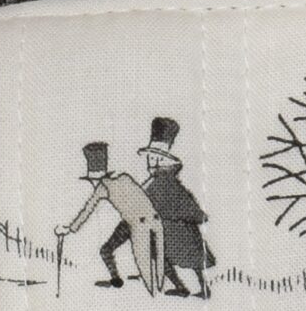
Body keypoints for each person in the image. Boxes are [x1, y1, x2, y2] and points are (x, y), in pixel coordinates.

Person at [55, 142, 161, 292]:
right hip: (146, 219)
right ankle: (176, 284)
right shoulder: (124, 177)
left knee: (140, 262)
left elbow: (87, 211)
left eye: (92, 181)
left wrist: (69, 229)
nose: (93, 184)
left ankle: (150, 289)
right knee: (153, 253)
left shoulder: (102, 187)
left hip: (136, 224)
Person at [140, 117, 214, 298]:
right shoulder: (158, 181)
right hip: (169, 230)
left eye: (154, 157)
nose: (150, 161)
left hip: (176, 230)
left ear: (162, 160)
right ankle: (189, 287)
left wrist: (196, 215)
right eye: (150, 157)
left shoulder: (163, 182)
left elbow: (181, 201)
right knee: (168, 257)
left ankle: (190, 288)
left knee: (175, 257)